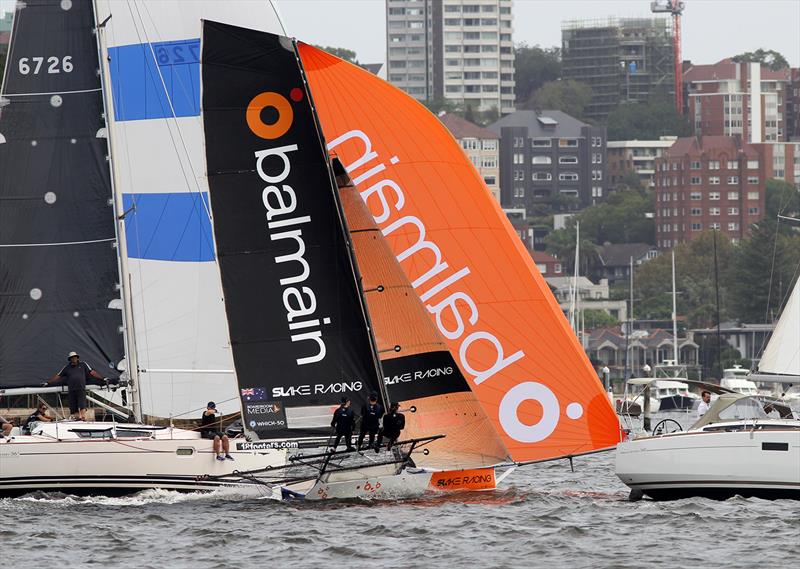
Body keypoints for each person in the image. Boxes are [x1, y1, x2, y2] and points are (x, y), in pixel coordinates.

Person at [45, 351, 107, 421]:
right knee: (73, 407)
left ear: (77, 358)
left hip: (81, 388)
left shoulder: (83, 364)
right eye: (72, 358)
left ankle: (82, 418)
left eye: (75, 357)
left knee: (82, 405)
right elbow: (58, 375)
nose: (73, 359)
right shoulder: (66, 367)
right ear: (70, 359)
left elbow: (92, 372)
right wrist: (48, 382)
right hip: (71, 390)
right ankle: (77, 419)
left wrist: (102, 378)